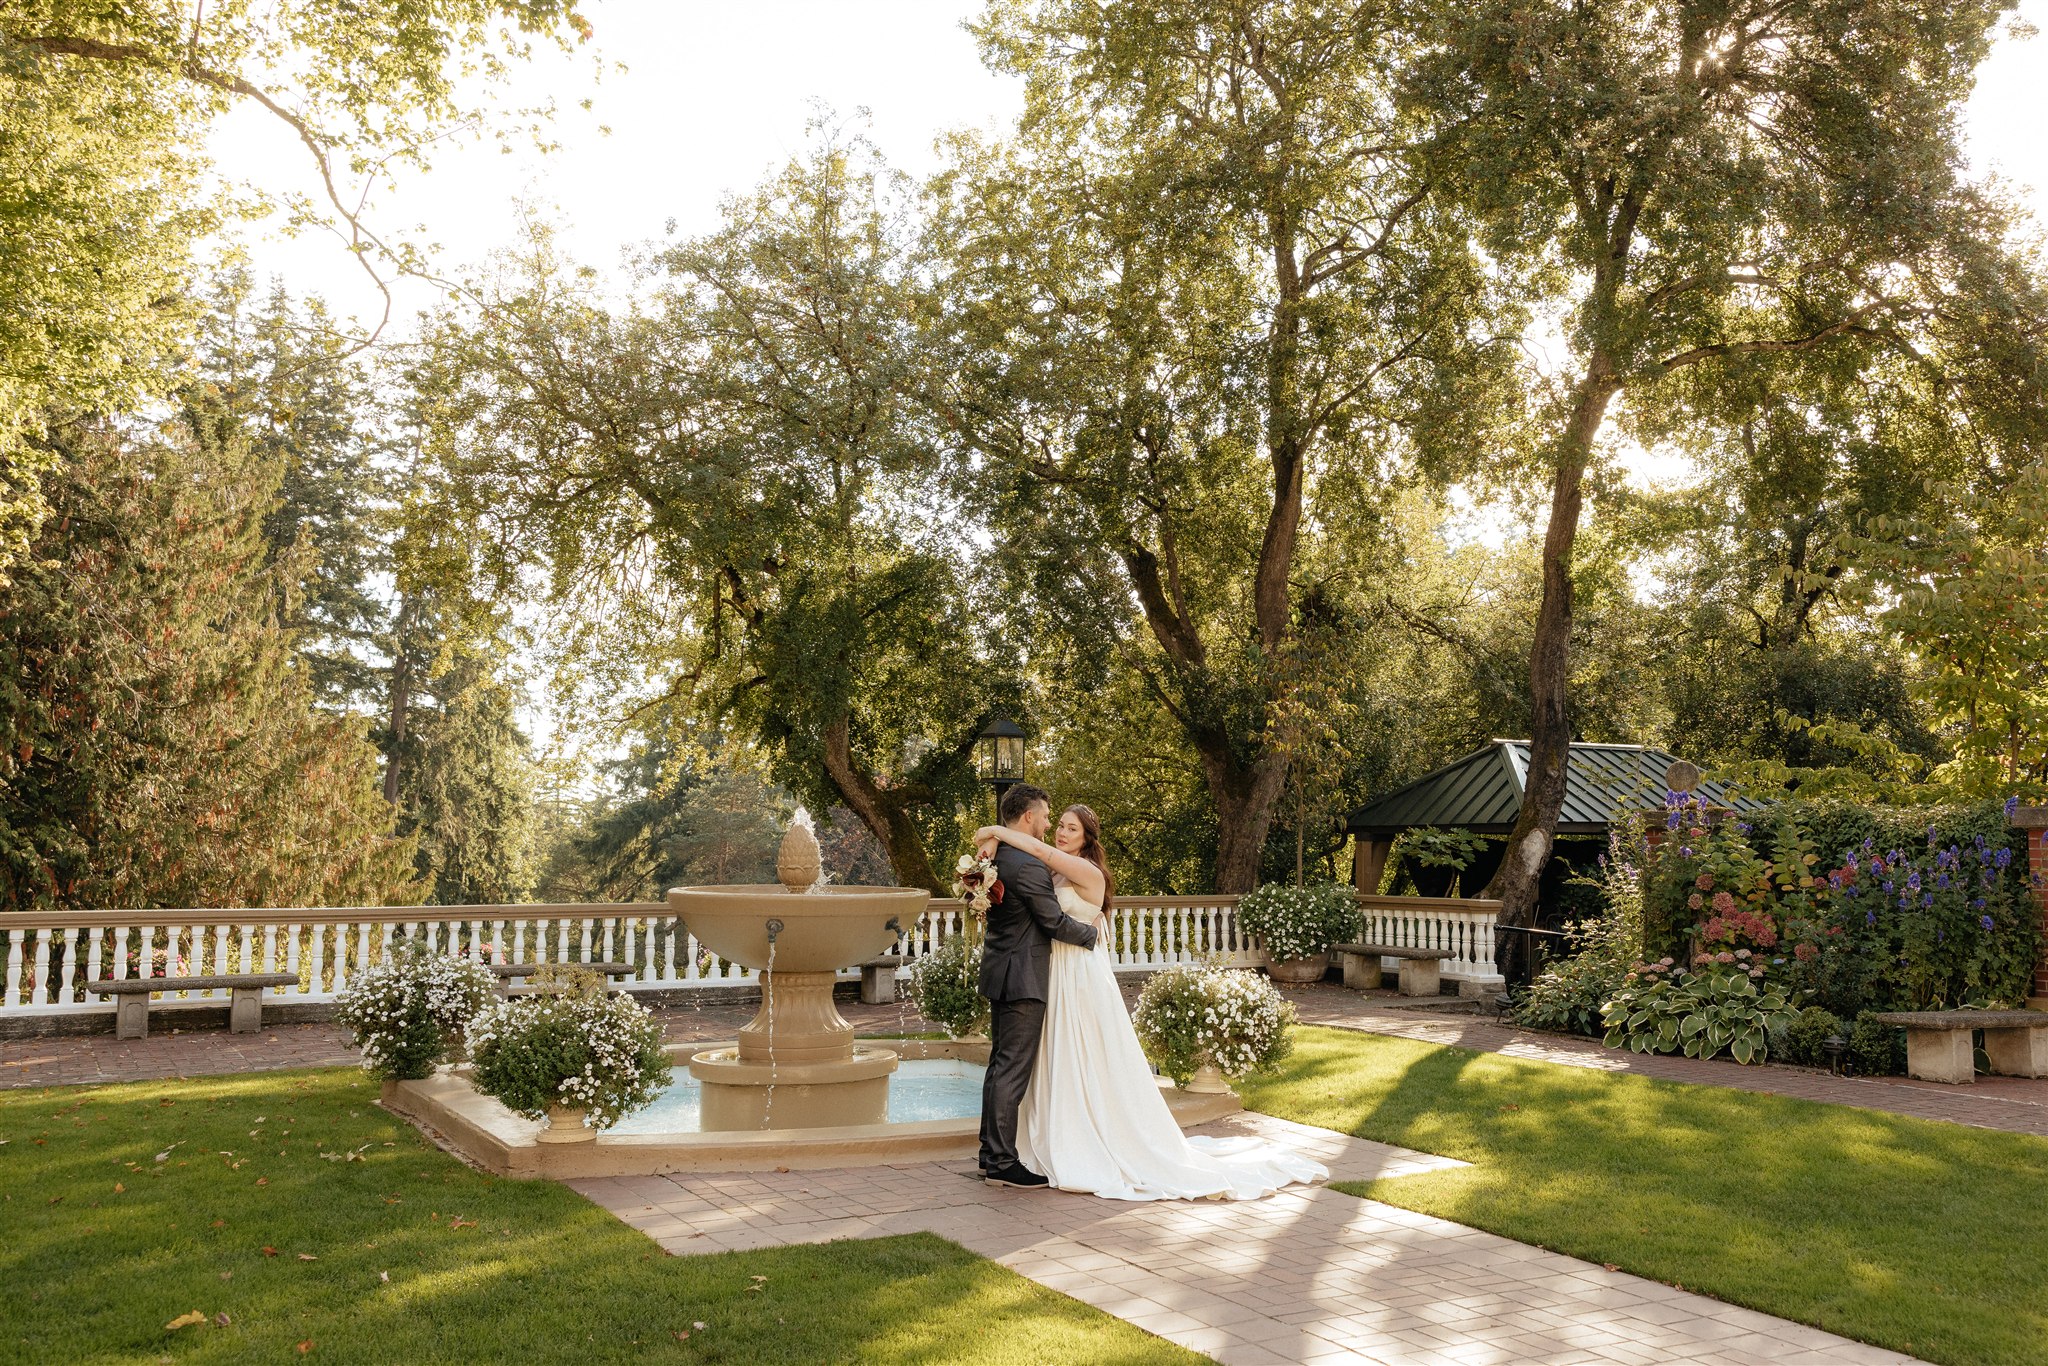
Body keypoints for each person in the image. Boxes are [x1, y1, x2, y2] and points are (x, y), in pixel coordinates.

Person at [972, 803, 1328, 1201]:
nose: (1061, 832)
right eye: (1060, 826)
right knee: (1052, 1056)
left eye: (1072, 828)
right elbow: (1033, 868)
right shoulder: (1047, 868)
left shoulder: (1085, 871)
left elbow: (1040, 856)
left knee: (1085, 1052)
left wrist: (995, 832)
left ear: (1088, 838)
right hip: (1053, 971)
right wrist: (992, 839)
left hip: (1080, 971)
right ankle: (1038, 1140)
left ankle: (1084, 1137)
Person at [974, 782, 1101, 1188]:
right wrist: (1092, 935)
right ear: (1028, 816)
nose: (1050, 826)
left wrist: (992, 835)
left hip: (1000, 970)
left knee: (999, 1066)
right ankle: (1001, 1163)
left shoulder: (997, 858)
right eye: (1047, 818)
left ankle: (988, 1154)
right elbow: (1052, 921)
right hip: (1024, 977)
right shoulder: (1027, 865)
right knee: (1011, 1070)